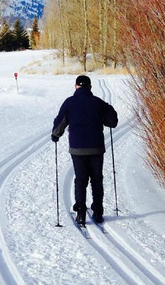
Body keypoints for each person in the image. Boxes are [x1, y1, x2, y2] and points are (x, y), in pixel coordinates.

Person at [51, 74, 118, 225]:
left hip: (77, 148)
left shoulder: (69, 102)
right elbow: (112, 121)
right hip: (96, 148)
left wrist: (55, 135)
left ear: (76, 87)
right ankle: (98, 212)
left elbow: (60, 123)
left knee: (81, 179)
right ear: (90, 87)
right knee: (96, 179)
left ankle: (81, 212)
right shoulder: (97, 102)